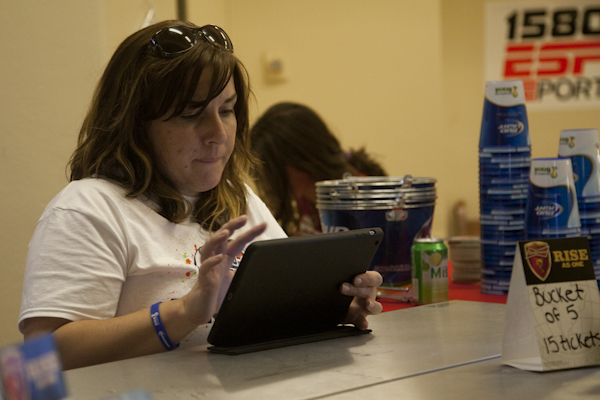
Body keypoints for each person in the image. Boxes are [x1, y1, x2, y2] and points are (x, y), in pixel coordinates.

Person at [18, 21, 383, 370]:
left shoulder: (239, 199)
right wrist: (186, 312)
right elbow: (43, 354)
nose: (219, 133)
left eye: (226, 110)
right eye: (192, 114)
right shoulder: (88, 209)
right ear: (134, 125)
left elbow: (274, 315)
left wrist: (330, 306)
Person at [251, 102, 387, 235]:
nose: (267, 183)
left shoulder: (364, 199)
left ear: (302, 158)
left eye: (271, 169)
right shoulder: (306, 197)